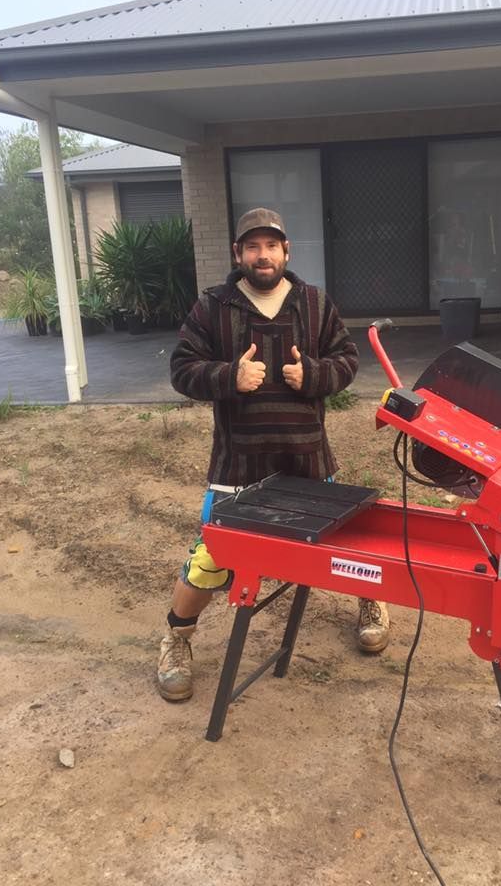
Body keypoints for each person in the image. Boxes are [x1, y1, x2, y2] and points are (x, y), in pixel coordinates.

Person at [157, 207, 391, 701]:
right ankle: (176, 640)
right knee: (211, 559)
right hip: (238, 464)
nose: (262, 255)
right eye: (252, 247)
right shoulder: (213, 307)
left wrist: (314, 377)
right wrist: (227, 377)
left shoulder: (314, 302)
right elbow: (182, 369)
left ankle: (371, 604)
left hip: (307, 457)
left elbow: (346, 360)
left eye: (271, 245)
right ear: (238, 254)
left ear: (286, 251)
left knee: (348, 545)